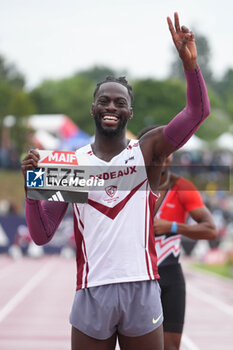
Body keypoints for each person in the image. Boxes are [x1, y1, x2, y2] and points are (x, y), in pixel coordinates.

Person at [21, 12, 211, 350]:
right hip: (93, 290)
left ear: (130, 113)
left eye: (120, 102)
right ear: (93, 107)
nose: (112, 106)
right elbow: (40, 235)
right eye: (104, 100)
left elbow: (196, 114)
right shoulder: (73, 165)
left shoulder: (146, 151)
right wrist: (32, 193)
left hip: (141, 287)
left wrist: (191, 66)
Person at [139, 126, 218, 350]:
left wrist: (172, 226)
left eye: (168, 150)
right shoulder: (129, 187)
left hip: (170, 275)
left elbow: (211, 229)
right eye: (158, 151)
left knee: (171, 347)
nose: (164, 156)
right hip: (138, 277)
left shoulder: (182, 187)